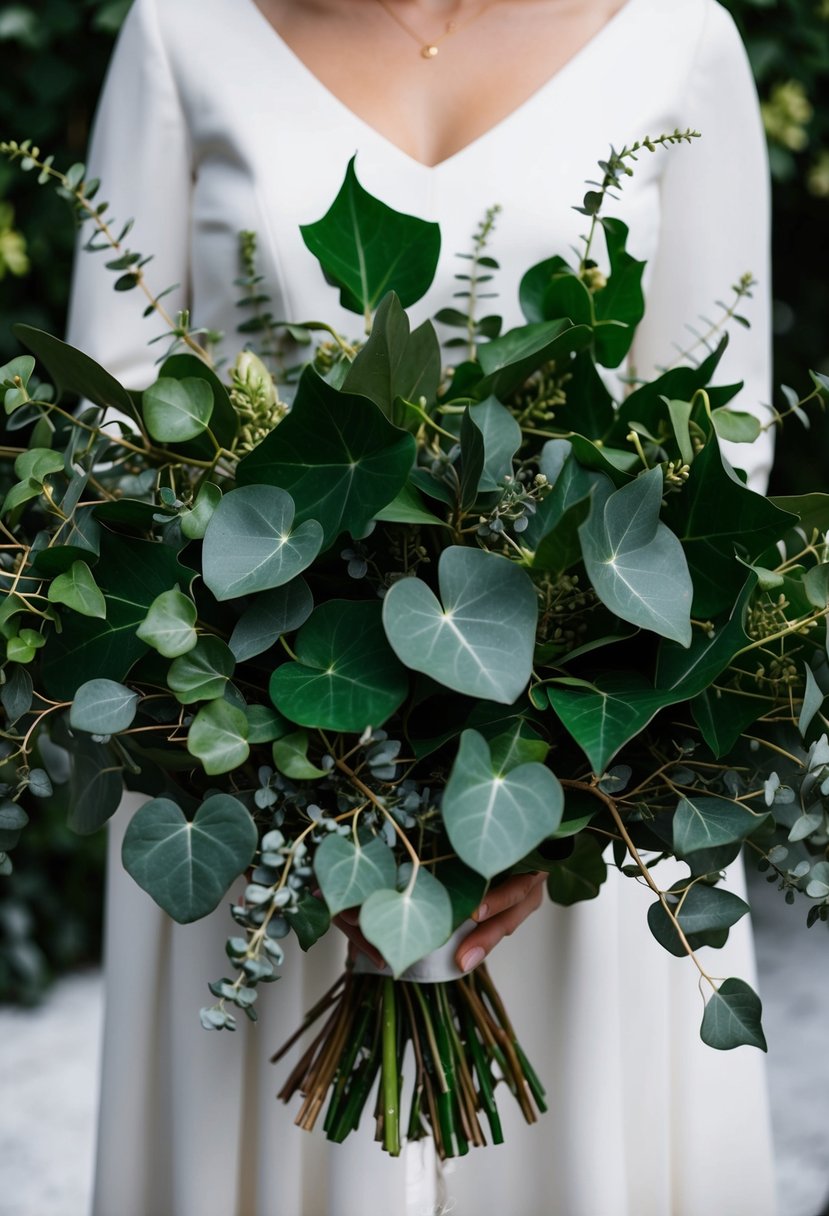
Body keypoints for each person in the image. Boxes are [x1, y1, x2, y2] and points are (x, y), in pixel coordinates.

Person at [65, 1, 778, 1213]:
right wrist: (311, 780)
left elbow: (720, 465)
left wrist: (539, 823)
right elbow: (113, 447)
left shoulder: (677, 38)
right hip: (267, 828)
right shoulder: (184, 32)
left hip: (578, 795)